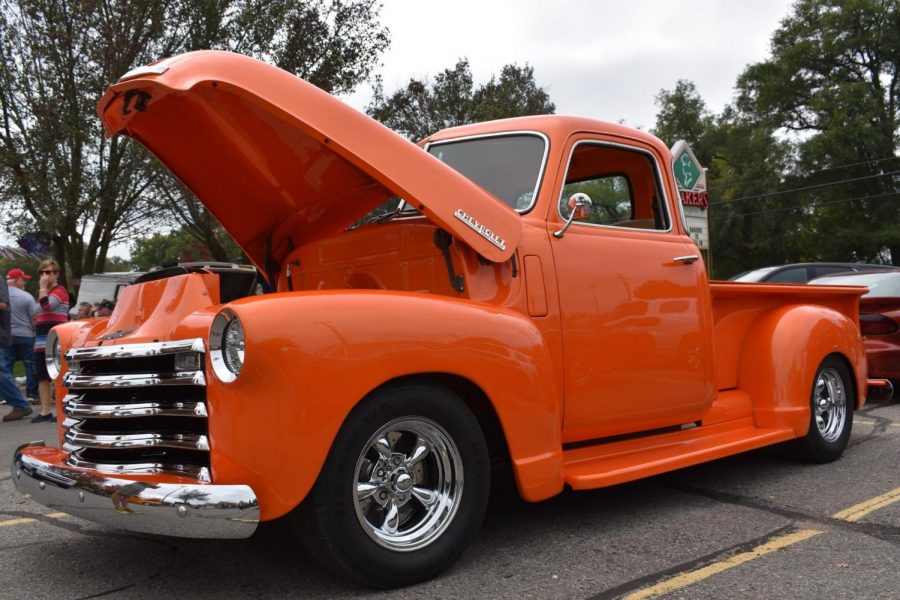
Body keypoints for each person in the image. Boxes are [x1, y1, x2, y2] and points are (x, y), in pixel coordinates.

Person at [32, 259, 69, 423]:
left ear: (57, 274)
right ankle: (45, 411)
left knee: (58, 375)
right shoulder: (43, 293)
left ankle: (60, 410)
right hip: (41, 337)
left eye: (51, 272)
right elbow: (35, 312)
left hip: (56, 336)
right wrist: (42, 292)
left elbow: (46, 307)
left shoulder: (59, 290)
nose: (47, 275)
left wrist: (42, 288)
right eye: (44, 272)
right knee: (42, 376)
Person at [0, 275, 33, 421]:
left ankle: (20, 404)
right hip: (21, 334)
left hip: (7, 333)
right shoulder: (26, 296)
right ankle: (21, 403)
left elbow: (3, 304)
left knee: (2, 370)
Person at [5, 268, 39, 403]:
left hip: (7, 335)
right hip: (25, 335)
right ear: (17, 280)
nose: (24, 282)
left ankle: (5, 396)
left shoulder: (2, 297)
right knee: (29, 364)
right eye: (23, 279)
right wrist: (35, 333)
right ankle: (31, 394)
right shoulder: (26, 296)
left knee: (6, 365)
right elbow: (34, 318)